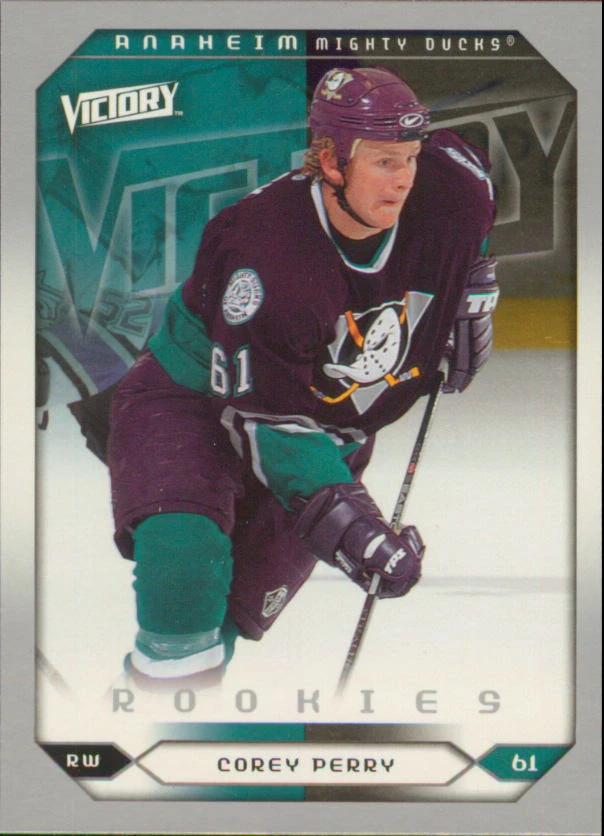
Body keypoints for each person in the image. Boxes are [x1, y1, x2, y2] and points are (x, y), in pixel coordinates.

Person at [108, 66, 498, 690]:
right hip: (192, 404)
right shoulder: (266, 249)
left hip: (330, 431)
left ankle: (181, 708)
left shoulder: (453, 189)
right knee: (184, 569)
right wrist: (356, 528)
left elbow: (466, 181)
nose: (403, 179)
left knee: (234, 617)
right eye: (383, 162)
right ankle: (146, 720)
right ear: (330, 161)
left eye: (409, 158)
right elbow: (272, 425)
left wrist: (470, 285)